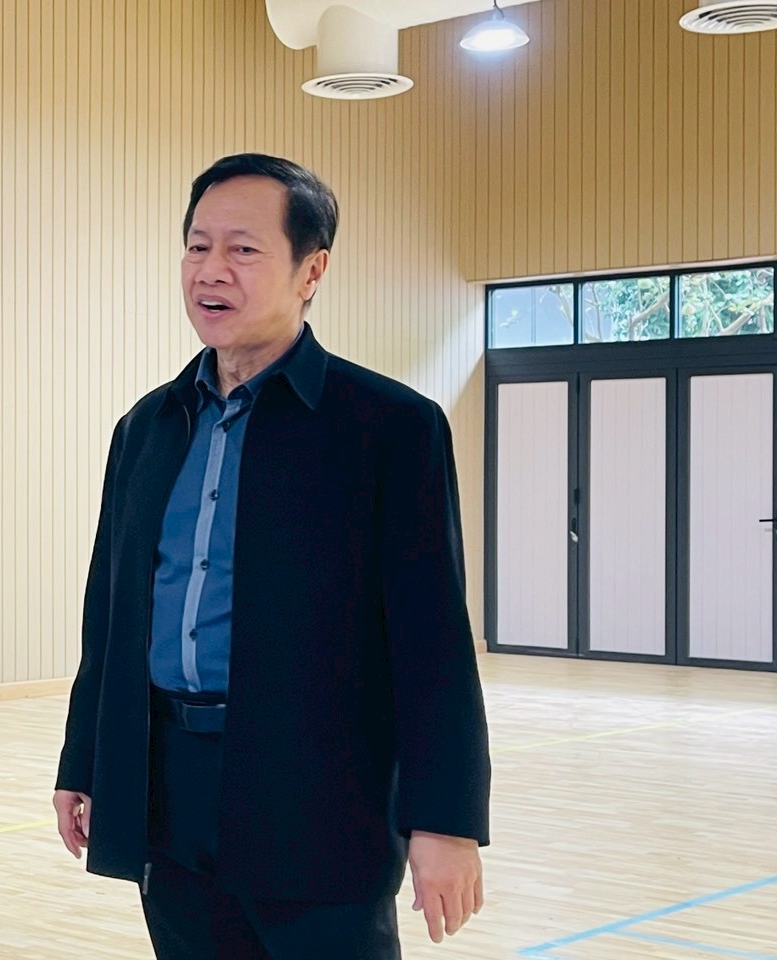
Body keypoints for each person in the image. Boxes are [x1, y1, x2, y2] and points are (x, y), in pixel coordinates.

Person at [53, 153, 491, 958]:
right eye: (197, 246)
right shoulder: (146, 428)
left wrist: (446, 822)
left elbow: (432, 644)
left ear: (311, 270)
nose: (210, 270)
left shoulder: (389, 428)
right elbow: (107, 615)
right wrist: (84, 760)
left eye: (243, 250)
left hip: (318, 801)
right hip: (168, 790)